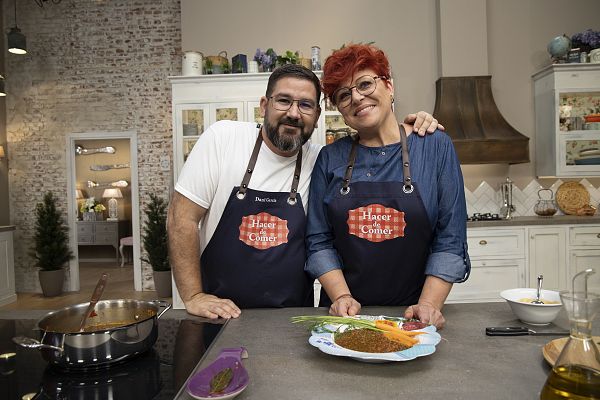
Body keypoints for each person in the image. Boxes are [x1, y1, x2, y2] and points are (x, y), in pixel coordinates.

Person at [168, 63, 442, 319]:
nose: (293, 113)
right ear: (264, 105)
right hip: (218, 314)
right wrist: (193, 296)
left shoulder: (321, 161)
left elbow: (325, 238)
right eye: (284, 100)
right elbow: (182, 219)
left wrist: (414, 127)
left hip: (292, 318)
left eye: (306, 105)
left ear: (318, 115)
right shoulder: (224, 139)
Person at [305, 44, 470, 329]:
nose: (357, 97)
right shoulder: (330, 157)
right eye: (344, 95)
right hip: (345, 316)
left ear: (389, 86)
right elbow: (318, 240)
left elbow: (450, 237)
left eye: (365, 83)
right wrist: (342, 296)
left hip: (412, 314)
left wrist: (429, 305)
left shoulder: (434, 145)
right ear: (340, 110)